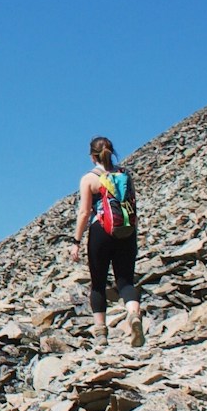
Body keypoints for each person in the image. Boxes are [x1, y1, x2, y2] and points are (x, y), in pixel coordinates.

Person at [72, 136, 143, 347]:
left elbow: (84, 212)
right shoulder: (124, 174)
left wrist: (76, 241)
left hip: (100, 231)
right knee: (125, 281)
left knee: (98, 283)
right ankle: (134, 314)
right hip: (125, 230)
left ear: (92, 156)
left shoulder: (89, 179)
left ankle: (101, 333)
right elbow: (133, 205)